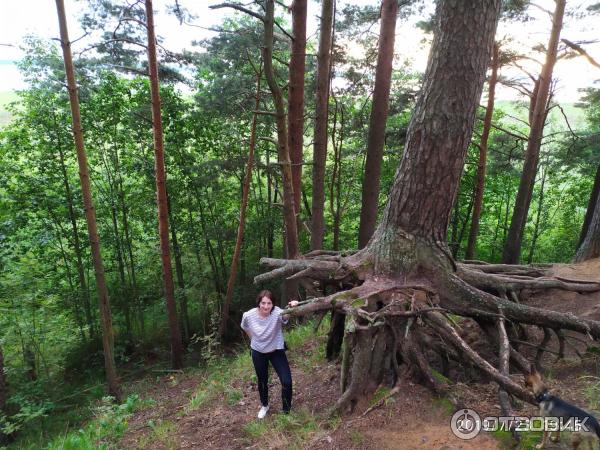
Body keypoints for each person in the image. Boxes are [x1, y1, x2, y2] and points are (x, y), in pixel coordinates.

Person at [240, 290, 299, 419]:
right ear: (259, 303)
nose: (266, 306)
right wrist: (253, 339)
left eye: (269, 303)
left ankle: (286, 410)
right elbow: (244, 326)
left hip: (276, 351)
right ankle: (265, 405)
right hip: (258, 352)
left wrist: (292, 307)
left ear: (273, 304)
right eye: (263, 303)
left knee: (287, 381)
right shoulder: (248, 315)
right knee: (262, 381)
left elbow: (285, 317)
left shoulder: (277, 312)